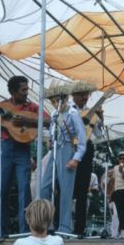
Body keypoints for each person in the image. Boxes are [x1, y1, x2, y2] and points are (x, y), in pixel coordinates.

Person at [0, 75, 49, 236]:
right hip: (5, 149)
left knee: (25, 188)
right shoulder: (1, 106)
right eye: (23, 90)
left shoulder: (31, 106)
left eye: (27, 88)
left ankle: (24, 231)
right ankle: (1, 231)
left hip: (23, 149)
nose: (27, 92)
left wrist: (26, 119)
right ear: (13, 92)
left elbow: (48, 120)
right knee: (2, 189)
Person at [40, 81, 86, 235]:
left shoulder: (73, 114)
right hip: (54, 150)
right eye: (52, 101)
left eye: (57, 101)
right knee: (44, 187)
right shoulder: (54, 114)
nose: (55, 104)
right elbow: (52, 132)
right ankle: (45, 223)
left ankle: (65, 227)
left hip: (67, 149)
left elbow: (81, 139)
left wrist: (76, 158)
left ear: (65, 99)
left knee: (66, 191)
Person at [70, 80, 104, 236]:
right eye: (81, 94)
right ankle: (62, 225)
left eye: (86, 94)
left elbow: (98, 135)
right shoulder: (68, 110)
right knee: (67, 188)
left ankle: (79, 228)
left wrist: (100, 119)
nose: (84, 97)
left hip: (87, 149)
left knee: (83, 190)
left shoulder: (92, 113)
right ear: (74, 96)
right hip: (70, 148)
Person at [107, 151, 124, 238]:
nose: (122, 160)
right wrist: (111, 195)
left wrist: (123, 171)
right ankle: (114, 235)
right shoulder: (116, 168)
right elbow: (114, 182)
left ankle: (123, 235)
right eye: (120, 158)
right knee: (115, 215)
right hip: (117, 194)